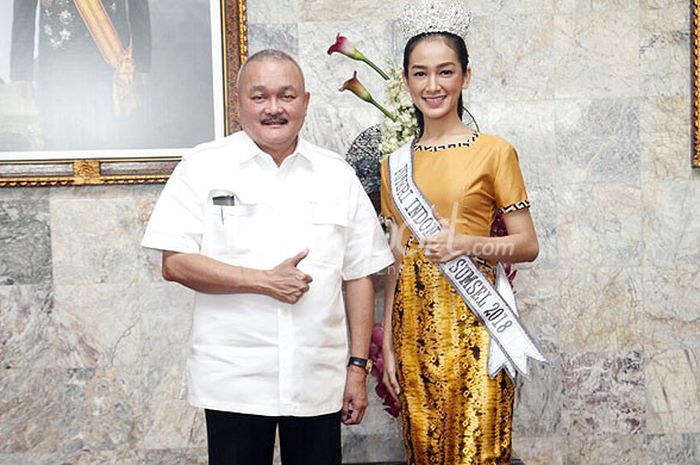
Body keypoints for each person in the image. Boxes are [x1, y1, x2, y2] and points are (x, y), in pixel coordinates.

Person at [142, 49, 393, 465]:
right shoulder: (203, 166)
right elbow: (176, 262)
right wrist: (262, 280)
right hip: (234, 379)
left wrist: (357, 369)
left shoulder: (336, 175)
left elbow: (359, 275)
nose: (274, 108)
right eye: (259, 97)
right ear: (238, 104)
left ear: (306, 103)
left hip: (318, 379)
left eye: (287, 96)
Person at [379, 1, 541, 464]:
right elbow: (395, 258)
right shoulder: (394, 166)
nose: (433, 86)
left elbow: (527, 245)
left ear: (465, 76)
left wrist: (466, 243)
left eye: (445, 72)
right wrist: (388, 345)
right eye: (421, 74)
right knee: (424, 451)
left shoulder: (494, 151)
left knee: (479, 450)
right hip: (413, 326)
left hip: (478, 322)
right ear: (407, 81)